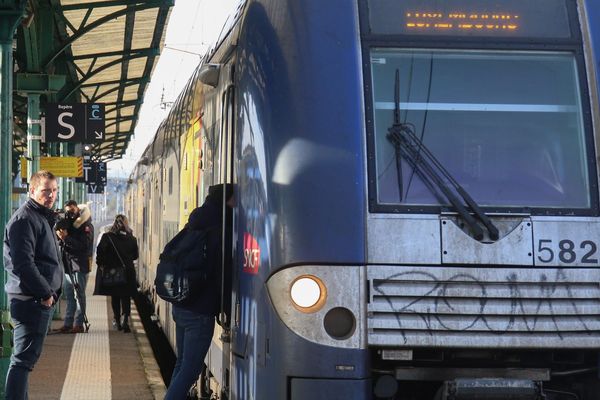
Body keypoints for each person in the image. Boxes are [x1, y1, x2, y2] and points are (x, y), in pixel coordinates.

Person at [164, 183, 234, 400]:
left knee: (182, 364)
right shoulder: (220, 229)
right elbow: (223, 272)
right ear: (226, 201)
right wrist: (226, 309)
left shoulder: (195, 224)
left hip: (181, 306)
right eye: (234, 200)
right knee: (190, 370)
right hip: (200, 312)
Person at [3, 170, 63, 399]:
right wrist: (45, 293)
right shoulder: (25, 219)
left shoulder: (40, 217)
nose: (51, 196)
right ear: (32, 191)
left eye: (54, 191)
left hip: (35, 298)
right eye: (45, 191)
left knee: (24, 362)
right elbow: (23, 264)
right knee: (22, 362)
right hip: (31, 300)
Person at [54, 200, 94, 334]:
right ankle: (68, 323)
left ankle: (79, 324)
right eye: (68, 211)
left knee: (79, 295)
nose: (70, 214)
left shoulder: (85, 225)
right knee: (70, 295)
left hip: (79, 265)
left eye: (72, 210)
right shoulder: (68, 224)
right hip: (67, 264)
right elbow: (63, 244)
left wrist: (66, 238)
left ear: (77, 209)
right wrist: (61, 238)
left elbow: (84, 246)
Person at [94, 214, 139, 333]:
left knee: (115, 296)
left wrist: (103, 264)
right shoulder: (132, 239)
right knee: (126, 296)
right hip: (128, 272)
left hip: (113, 272)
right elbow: (135, 256)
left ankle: (117, 321)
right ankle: (126, 320)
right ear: (126, 224)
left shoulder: (107, 237)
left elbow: (100, 253)